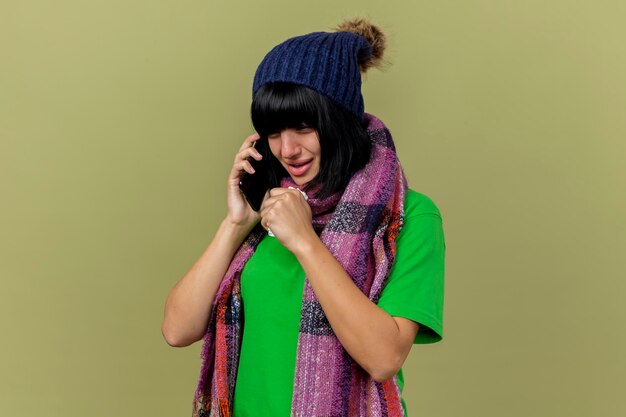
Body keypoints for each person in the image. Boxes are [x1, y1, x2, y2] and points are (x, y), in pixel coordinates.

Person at [162, 18, 446, 417]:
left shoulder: (409, 215)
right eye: (273, 132)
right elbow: (178, 330)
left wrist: (305, 241)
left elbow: (383, 358)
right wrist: (236, 222)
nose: (288, 149)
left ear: (339, 121)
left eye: (303, 127)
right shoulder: (268, 212)